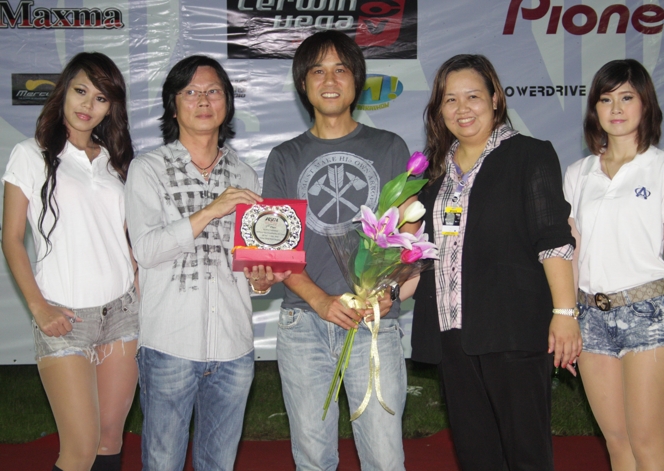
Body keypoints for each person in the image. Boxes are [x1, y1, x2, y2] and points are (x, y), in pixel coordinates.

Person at [407, 54, 581, 471]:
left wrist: (565, 313)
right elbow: (420, 250)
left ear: (495, 99)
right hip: (452, 334)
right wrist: (385, 288)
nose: (462, 109)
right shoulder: (432, 174)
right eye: (450, 100)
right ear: (439, 109)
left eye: (473, 96)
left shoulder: (529, 155)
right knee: (476, 455)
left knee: (527, 455)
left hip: (513, 331)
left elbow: (553, 241)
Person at [124, 55, 288, 471]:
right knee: (162, 462)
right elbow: (146, 250)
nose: (202, 100)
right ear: (173, 105)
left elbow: (245, 261)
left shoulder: (245, 175)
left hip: (233, 346)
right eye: (190, 92)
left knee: (219, 463)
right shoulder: (147, 170)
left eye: (213, 91)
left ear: (227, 104)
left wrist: (261, 280)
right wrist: (211, 210)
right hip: (169, 344)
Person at [262, 30, 414, 471]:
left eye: (341, 69)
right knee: (313, 459)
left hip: (372, 323)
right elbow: (278, 248)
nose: (329, 80)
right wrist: (320, 301)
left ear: (357, 80)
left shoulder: (389, 147)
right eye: (318, 71)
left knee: (384, 458)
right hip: (304, 324)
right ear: (303, 83)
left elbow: (407, 234)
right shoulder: (284, 157)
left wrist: (388, 288)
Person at [564, 59, 664, 471]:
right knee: (618, 442)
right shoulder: (578, 173)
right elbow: (572, 253)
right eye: (606, 99)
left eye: (627, 97)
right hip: (590, 316)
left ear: (646, 103)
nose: (616, 108)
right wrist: (568, 319)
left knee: (648, 443)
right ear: (594, 108)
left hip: (649, 313)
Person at [2, 52, 137, 471]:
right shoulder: (30, 154)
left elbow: (125, 236)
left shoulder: (116, 159)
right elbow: (11, 239)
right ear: (63, 91)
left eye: (101, 98)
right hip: (64, 318)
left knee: (110, 439)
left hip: (122, 313)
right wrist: (39, 307)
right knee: (79, 449)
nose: (87, 105)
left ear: (110, 107)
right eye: (81, 91)